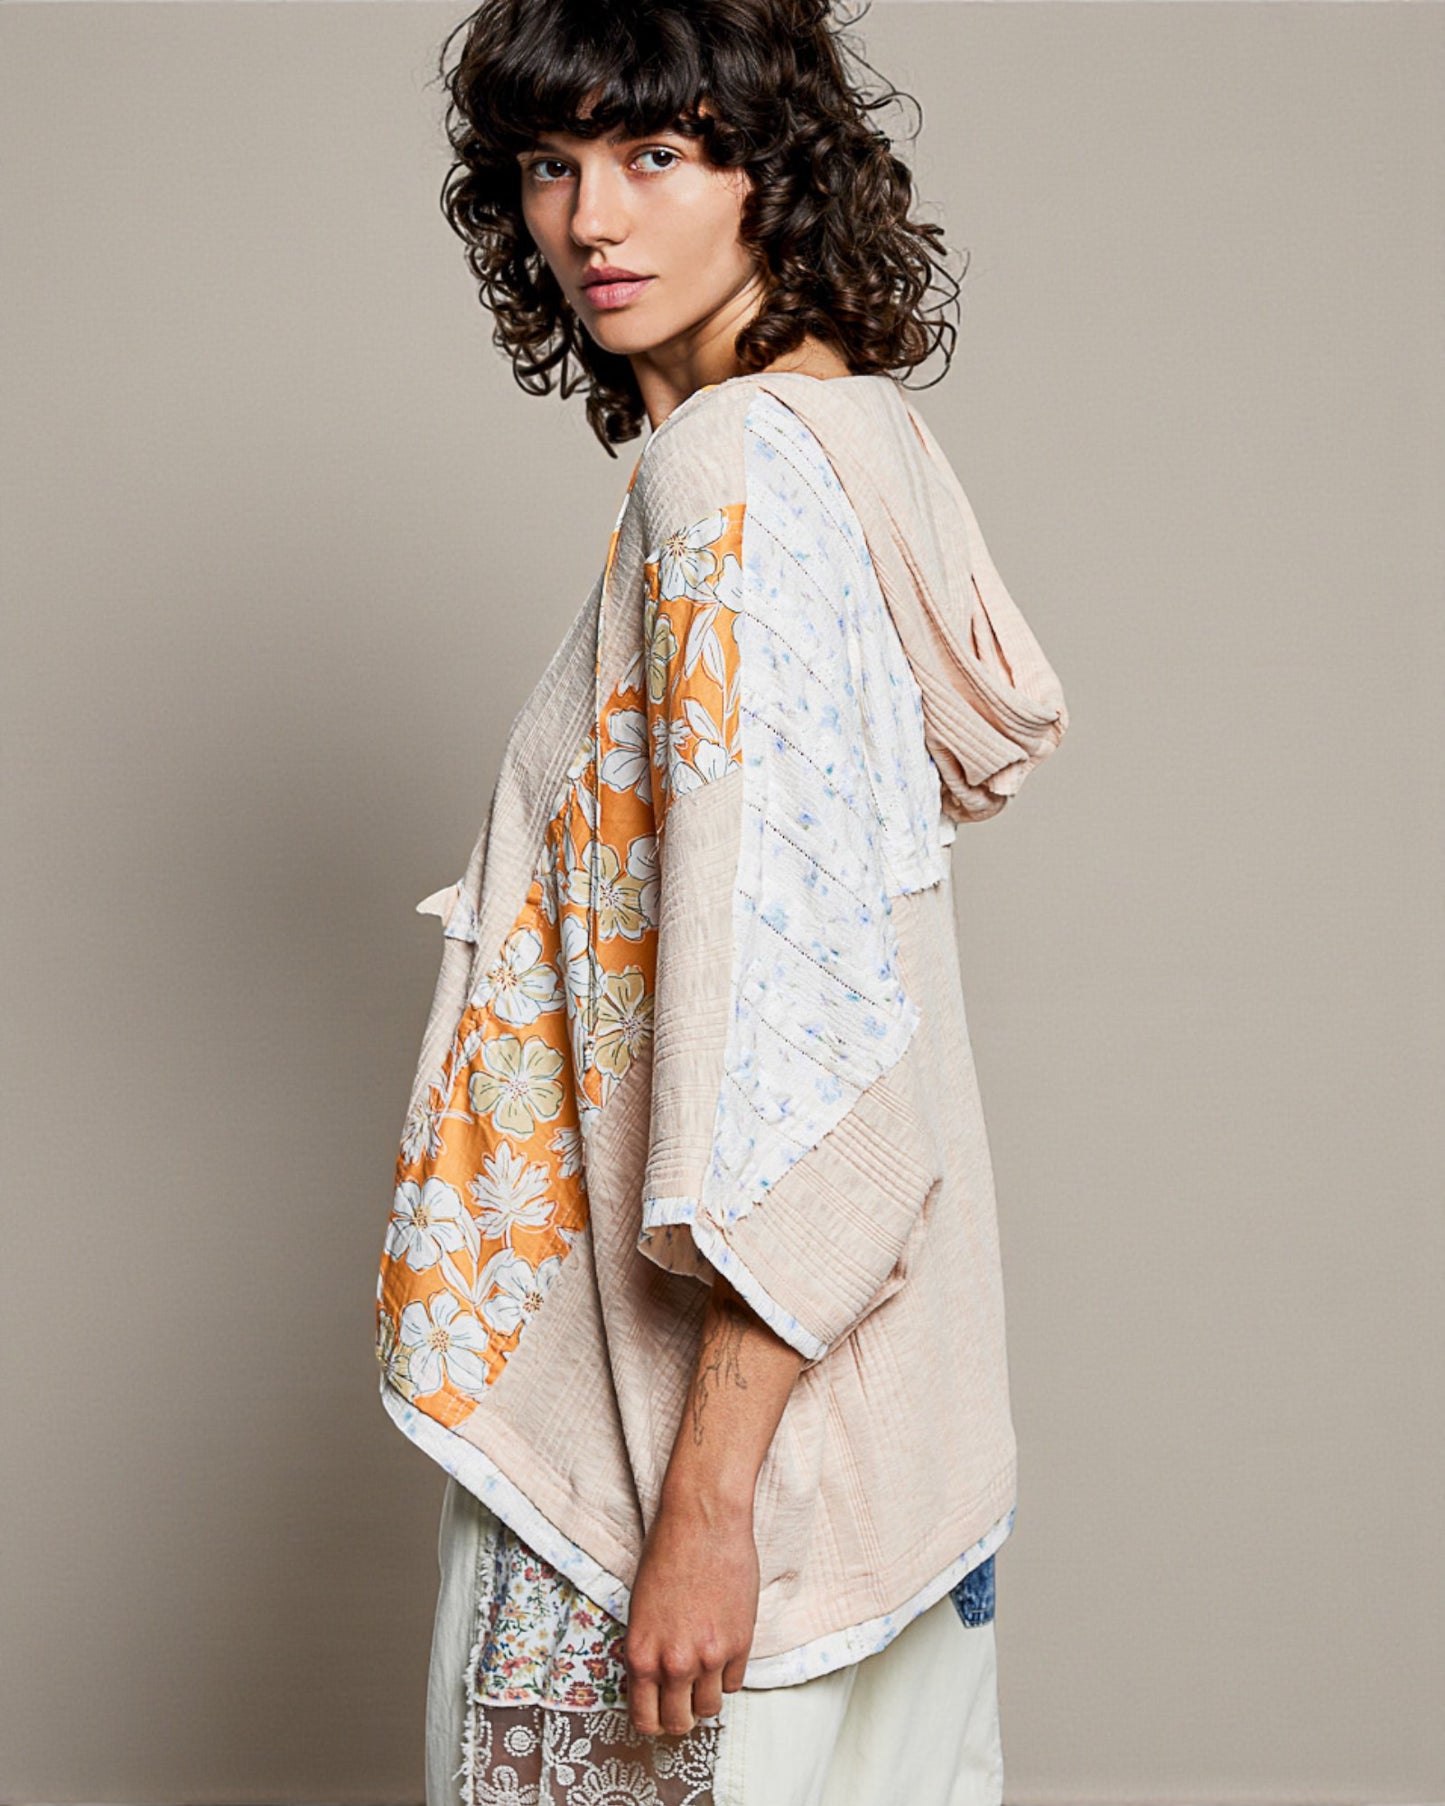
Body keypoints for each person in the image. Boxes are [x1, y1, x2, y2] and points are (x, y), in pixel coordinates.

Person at [373, 1, 1069, 1801]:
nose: (591, 219)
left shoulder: (731, 482)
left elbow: (801, 1048)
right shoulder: (849, 452)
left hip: (692, 1478)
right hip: (890, 1454)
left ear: (773, 174)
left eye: (655, 155)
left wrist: (705, 1507)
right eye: (550, 165)